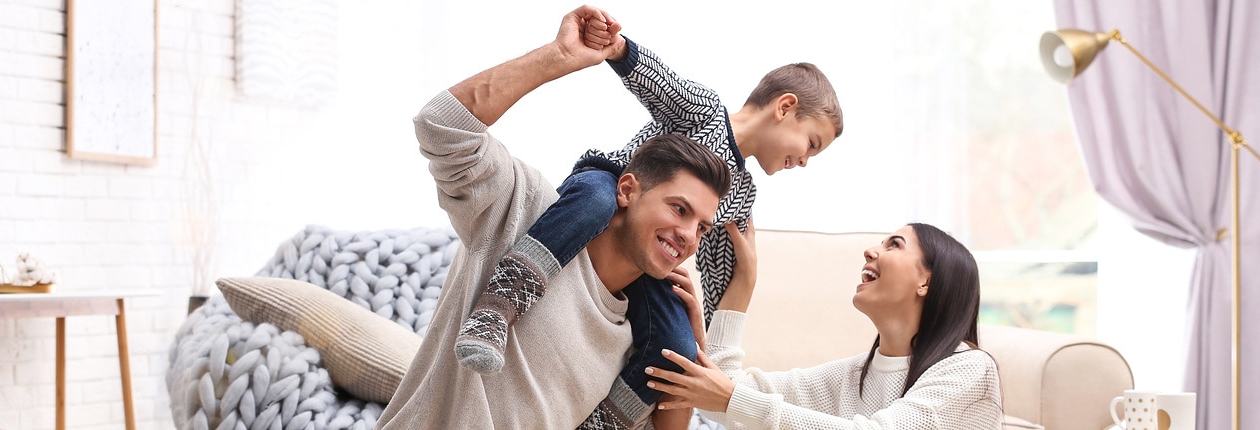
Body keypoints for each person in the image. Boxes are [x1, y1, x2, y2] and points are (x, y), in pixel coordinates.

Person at [450, 6, 845, 429]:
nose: (804, 161)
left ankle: (604, 423)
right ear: (785, 107)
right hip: (612, 187)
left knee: (675, 345)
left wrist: (709, 324)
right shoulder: (706, 112)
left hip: (649, 257)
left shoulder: (741, 196)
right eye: (812, 143)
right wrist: (618, 48)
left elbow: (716, 274)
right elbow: (663, 85)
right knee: (596, 203)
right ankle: (496, 308)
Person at [372, 6, 735, 429]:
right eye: (679, 209)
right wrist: (558, 56)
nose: (690, 236)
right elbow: (441, 126)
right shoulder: (523, 210)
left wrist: (693, 347)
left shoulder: (644, 333)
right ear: (628, 189)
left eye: (702, 227)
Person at [646, 222, 1006, 429]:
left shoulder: (969, 369)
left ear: (926, 282)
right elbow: (720, 402)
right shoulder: (854, 376)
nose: (871, 251)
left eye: (894, 245)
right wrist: (744, 282)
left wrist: (734, 399)